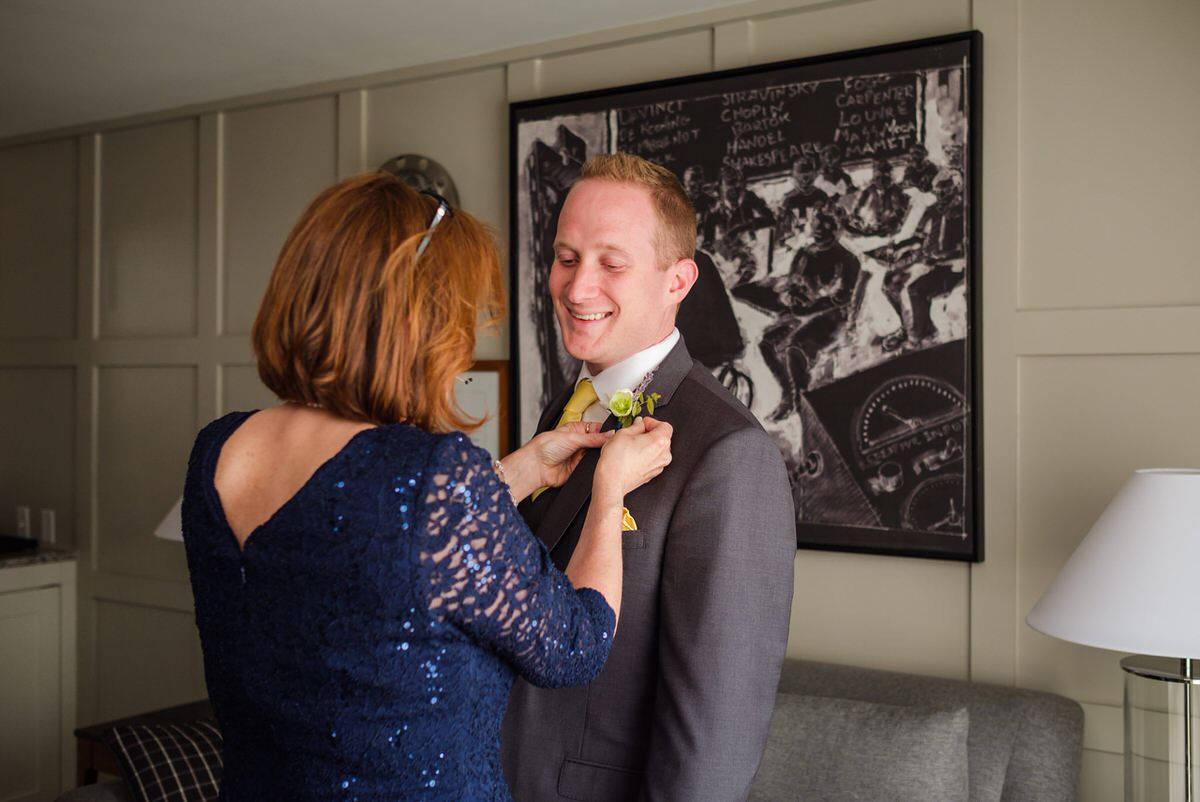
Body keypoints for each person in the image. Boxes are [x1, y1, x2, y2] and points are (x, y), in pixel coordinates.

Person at [180, 172, 673, 801]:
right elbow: (574, 648)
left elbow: (358, 538)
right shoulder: (433, 476)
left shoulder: (218, 450)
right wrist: (609, 495)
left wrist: (519, 471)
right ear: (422, 323)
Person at [501, 153, 796, 802]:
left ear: (677, 281)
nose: (577, 289)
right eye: (567, 257)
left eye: (612, 263)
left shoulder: (729, 452)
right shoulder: (562, 413)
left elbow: (713, 731)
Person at [753, 209, 863, 421]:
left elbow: (840, 298)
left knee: (795, 346)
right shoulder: (804, 254)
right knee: (767, 343)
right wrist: (788, 294)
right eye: (816, 227)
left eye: (825, 228)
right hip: (799, 313)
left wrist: (808, 307)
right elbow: (792, 281)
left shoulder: (847, 260)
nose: (819, 232)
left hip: (831, 316)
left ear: (836, 230)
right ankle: (788, 394)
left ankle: (802, 401)